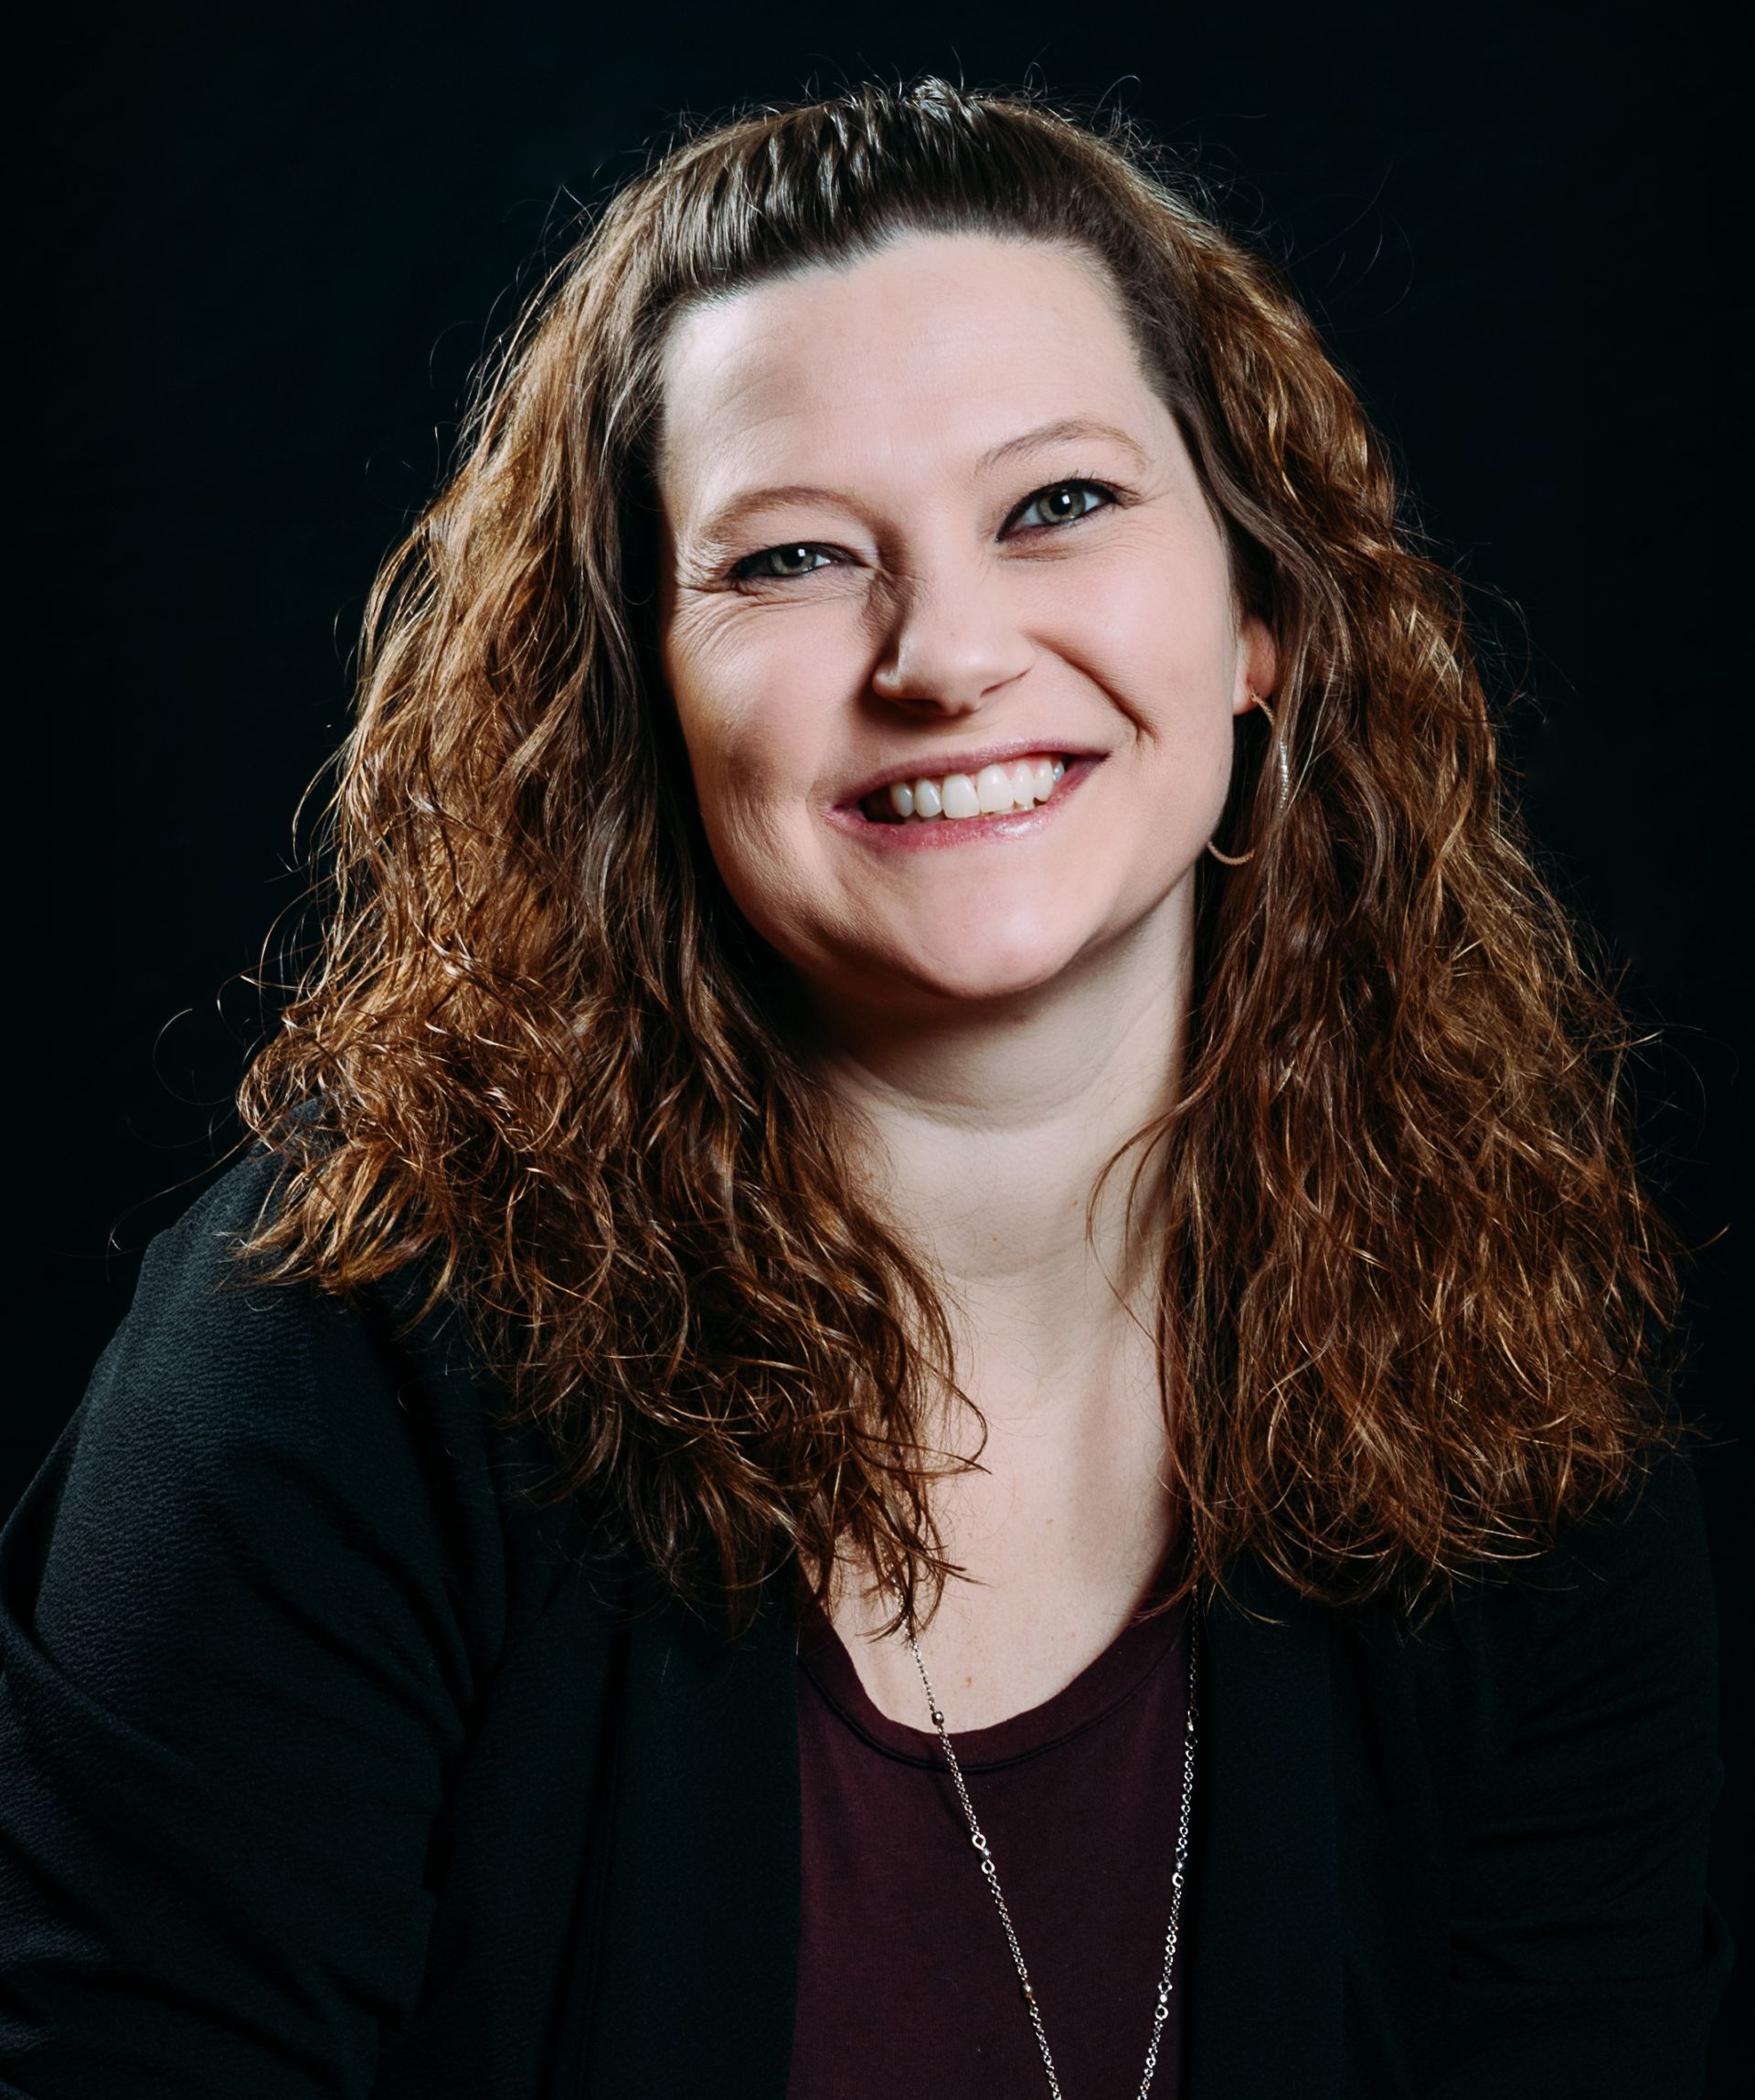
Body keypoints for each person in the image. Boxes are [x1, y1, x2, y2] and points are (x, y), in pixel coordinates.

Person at [0, 74, 1735, 2100]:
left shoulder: (1511, 1399)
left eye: (1060, 506)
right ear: (628, 695)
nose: (945, 652)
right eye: (795, 559)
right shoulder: (321, 1386)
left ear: (1262, 613)